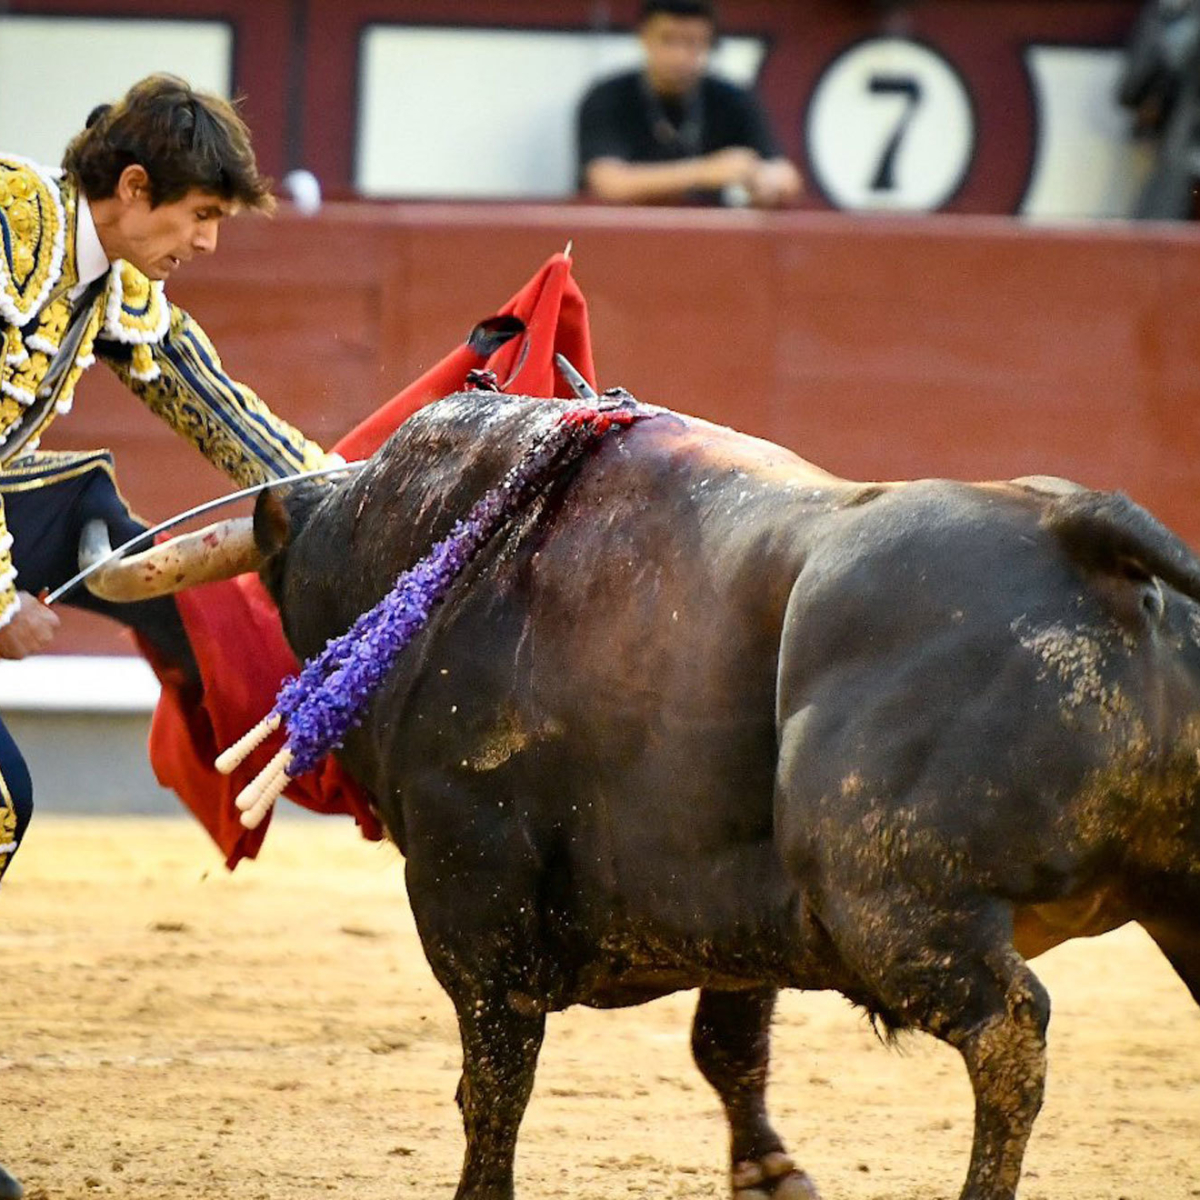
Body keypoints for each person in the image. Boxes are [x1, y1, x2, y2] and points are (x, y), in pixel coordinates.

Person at [0, 74, 335, 1199]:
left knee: (142, 557)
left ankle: (222, 671)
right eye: (197, 217)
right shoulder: (6, 227)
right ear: (133, 188)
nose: (204, 241)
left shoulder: (107, 282)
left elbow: (214, 401)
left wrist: (346, 496)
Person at [576, 0, 802, 207]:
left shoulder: (732, 99)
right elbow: (608, 184)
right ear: (644, 37)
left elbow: (785, 175)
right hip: (621, 235)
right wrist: (706, 172)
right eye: (668, 39)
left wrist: (766, 181)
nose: (680, 56)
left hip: (708, 238)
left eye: (693, 42)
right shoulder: (609, 97)